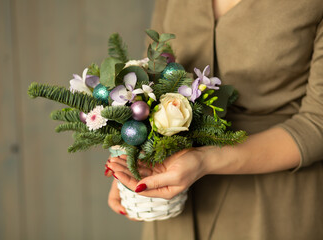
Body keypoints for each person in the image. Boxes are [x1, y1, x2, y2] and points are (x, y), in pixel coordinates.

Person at [105, 0, 323, 239]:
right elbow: (151, 75)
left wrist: (204, 159)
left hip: (271, 201)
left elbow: (317, 121)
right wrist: (134, 158)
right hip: (173, 198)